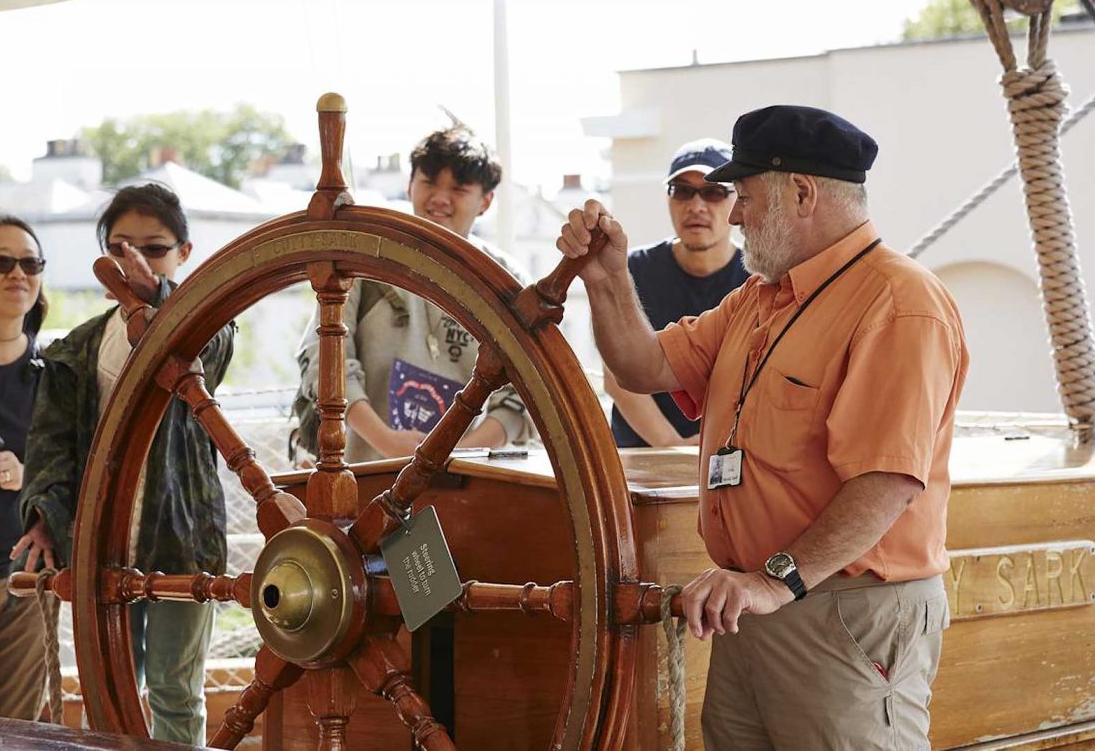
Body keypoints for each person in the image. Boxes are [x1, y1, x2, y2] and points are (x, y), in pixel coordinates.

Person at [558, 105, 969, 749]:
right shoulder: (759, 297)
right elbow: (647, 364)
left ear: (801, 193)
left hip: (841, 612)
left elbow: (887, 481)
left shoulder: (900, 303)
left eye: (742, 196)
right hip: (756, 608)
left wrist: (775, 580)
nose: (735, 215)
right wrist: (607, 279)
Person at [16, 184, 234, 745]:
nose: (134, 261)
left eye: (155, 249)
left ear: (184, 254)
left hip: (181, 541)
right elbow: (51, 442)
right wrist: (45, 514)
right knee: (103, 689)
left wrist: (159, 296)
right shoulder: (78, 348)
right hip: (98, 543)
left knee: (175, 692)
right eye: (120, 247)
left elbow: (212, 348)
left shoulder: (206, 325)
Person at [295, 125, 530, 463]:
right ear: (409, 185)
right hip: (363, 470)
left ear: (486, 201)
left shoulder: (505, 280)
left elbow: (523, 390)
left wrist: (460, 453)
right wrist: (385, 440)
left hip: (467, 477)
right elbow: (322, 355)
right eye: (429, 182)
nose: (440, 198)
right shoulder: (366, 261)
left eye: (459, 188)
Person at [608, 139, 749, 448]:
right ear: (669, 198)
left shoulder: (758, 280)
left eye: (713, 192)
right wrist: (672, 445)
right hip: (639, 457)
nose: (696, 206)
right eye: (683, 191)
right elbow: (616, 373)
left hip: (728, 457)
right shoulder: (630, 269)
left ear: (738, 200)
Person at [0, 214, 49, 720]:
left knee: (13, 736)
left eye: (30, 262)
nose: (17, 273)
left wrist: (31, 477)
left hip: (23, 587)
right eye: (1, 261)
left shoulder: (57, 375)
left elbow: (85, 476)